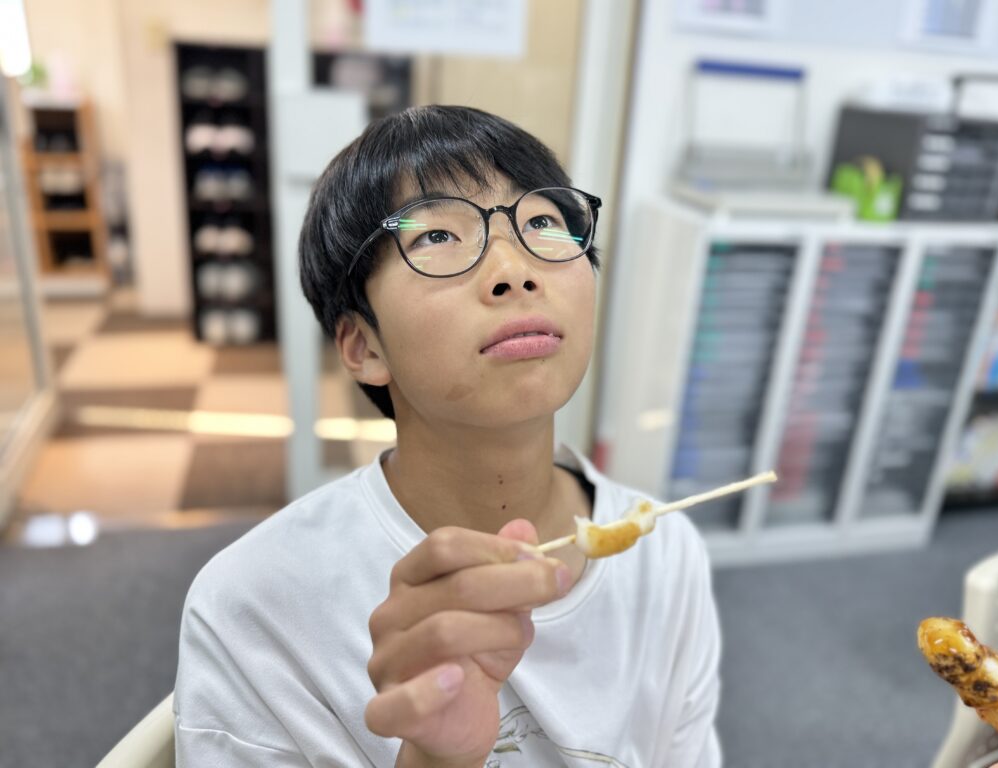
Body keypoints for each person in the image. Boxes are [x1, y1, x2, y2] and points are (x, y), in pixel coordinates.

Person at [173, 105, 721, 767]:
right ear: (363, 345)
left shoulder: (665, 553)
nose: (515, 270)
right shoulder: (257, 607)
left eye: (542, 222)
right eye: (436, 235)